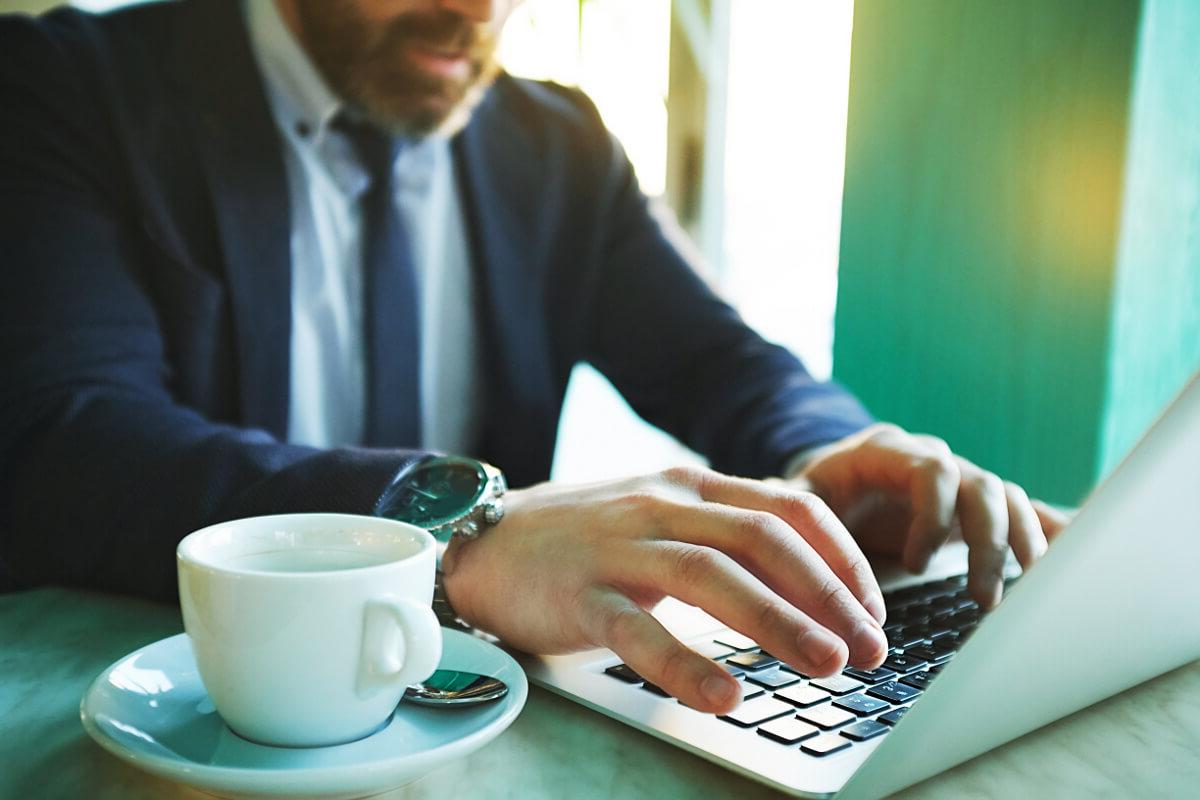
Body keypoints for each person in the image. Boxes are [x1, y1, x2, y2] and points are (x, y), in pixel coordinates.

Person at [0, 0, 1066, 715]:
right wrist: (459, 538)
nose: (481, 5)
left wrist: (833, 447)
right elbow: (68, 438)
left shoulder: (557, 145)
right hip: (171, 716)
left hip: (461, 720)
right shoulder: (71, 84)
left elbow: (718, 360)